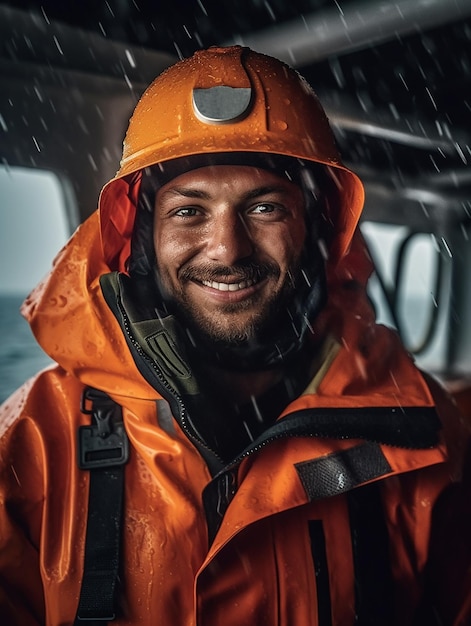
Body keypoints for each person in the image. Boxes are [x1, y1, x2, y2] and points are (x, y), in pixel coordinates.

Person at [0, 45, 469, 626]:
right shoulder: (32, 444)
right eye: (189, 211)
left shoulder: (423, 428)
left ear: (317, 230)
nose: (227, 249)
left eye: (265, 207)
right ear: (140, 238)